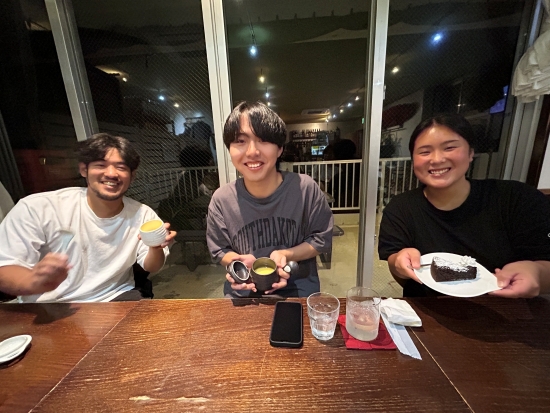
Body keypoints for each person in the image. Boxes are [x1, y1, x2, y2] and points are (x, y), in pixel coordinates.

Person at [378, 113, 550, 299]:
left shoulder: (517, 199)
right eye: (425, 152)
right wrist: (399, 263)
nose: (437, 159)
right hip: (429, 311)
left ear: (470, 153)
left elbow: (545, 267)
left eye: (450, 147)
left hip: (507, 311)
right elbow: (400, 271)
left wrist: (537, 272)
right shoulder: (401, 208)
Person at [0, 133, 176, 302]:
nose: (111, 173)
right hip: (49, 304)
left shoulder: (142, 214)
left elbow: (151, 266)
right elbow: (4, 267)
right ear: (84, 169)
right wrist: (33, 281)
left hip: (116, 296)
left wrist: (155, 247)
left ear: (132, 175)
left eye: (121, 167)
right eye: (100, 165)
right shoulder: (38, 208)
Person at [206, 101, 333, 298]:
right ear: (229, 149)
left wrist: (286, 254)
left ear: (280, 148)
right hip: (244, 294)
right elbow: (220, 250)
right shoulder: (222, 199)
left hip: (297, 291)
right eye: (240, 141)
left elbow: (321, 239)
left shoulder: (304, 188)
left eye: (263, 140)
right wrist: (238, 264)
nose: (252, 152)